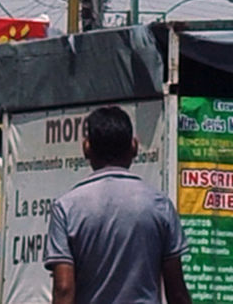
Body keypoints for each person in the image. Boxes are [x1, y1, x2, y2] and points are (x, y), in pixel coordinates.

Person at [44, 105, 193, 304]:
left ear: (86, 148)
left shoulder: (66, 208)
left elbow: (63, 289)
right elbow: (177, 292)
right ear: (134, 147)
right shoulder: (159, 205)